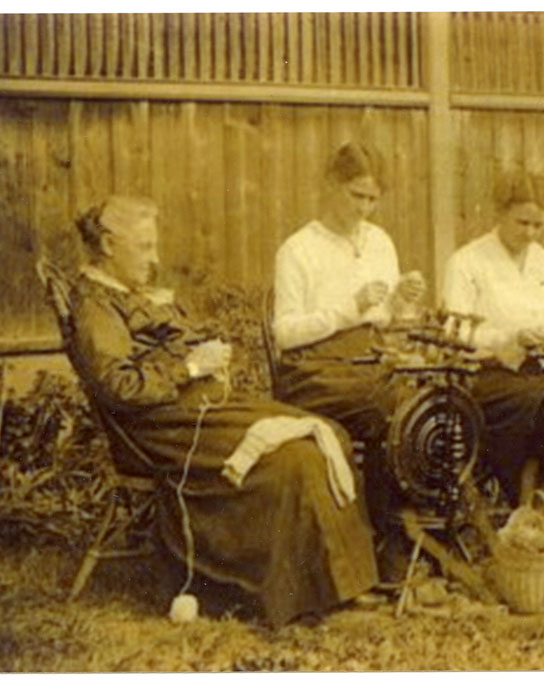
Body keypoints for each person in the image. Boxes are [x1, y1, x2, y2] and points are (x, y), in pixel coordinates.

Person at [65, 195, 379, 628]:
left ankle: (345, 583)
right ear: (108, 245)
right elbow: (120, 386)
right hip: (159, 428)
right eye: (145, 247)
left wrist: (204, 351)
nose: (155, 259)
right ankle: (296, 592)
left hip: (192, 408)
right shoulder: (95, 305)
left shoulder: (129, 293)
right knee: (293, 458)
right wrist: (192, 366)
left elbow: (162, 346)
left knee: (325, 431)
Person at [273, 141, 426, 448]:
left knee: (435, 398)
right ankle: (386, 494)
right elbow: (284, 334)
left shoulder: (380, 241)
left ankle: (411, 495)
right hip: (314, 372)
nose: (364, 208)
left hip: (370, 365)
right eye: (356, 195)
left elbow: (385, 320)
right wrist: (350, 308)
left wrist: (401, 299)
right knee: (403, 406)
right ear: (331, 184)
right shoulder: (299, 249)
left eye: (373, 199)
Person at [442, 168, 544, 504]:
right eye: (522, 223)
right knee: (541, 405)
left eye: (538, 225)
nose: (530, 233)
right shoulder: (467, 262)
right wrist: (508, 337)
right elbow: (454, 331)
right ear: (499, 213)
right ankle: (522, 502)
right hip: (490, 375)